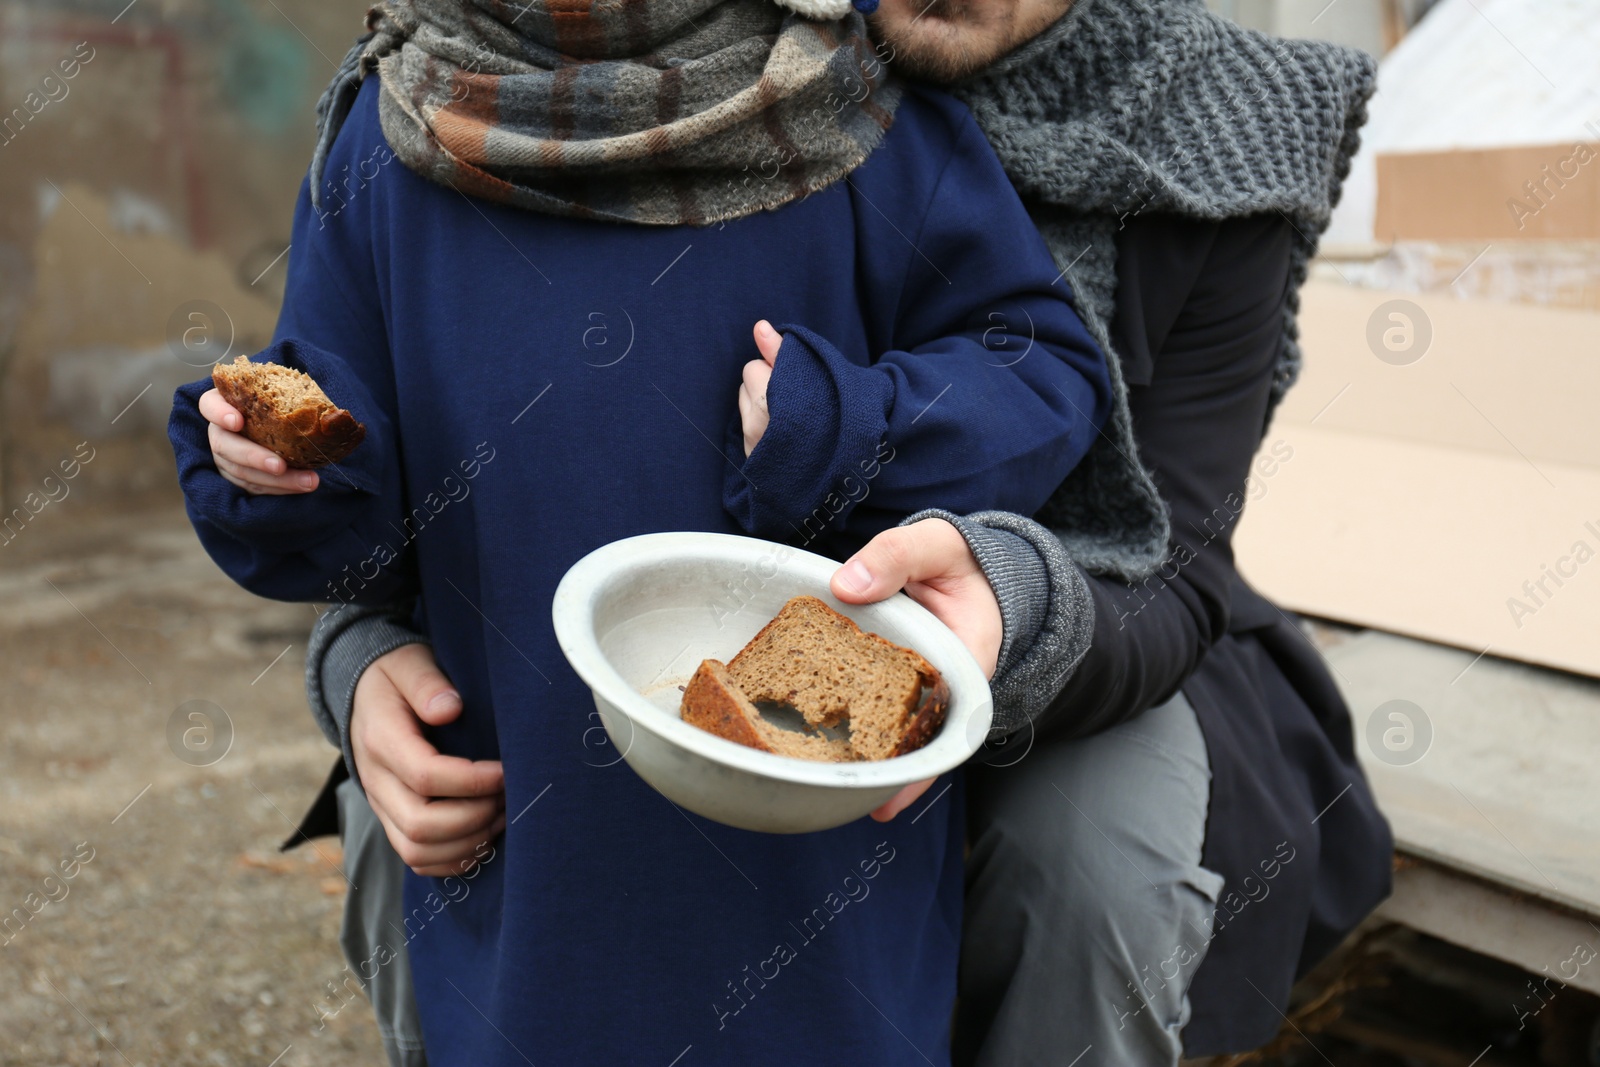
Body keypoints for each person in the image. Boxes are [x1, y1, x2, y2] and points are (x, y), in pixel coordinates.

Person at [307, 0, 1397, 1064]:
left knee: (1100, 868)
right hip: (730, 594)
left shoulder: (1227, 128)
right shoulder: (678, 69)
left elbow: (1173, 563)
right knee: (404, 795)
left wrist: (1012, 610)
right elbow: (492, 430)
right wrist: (355, 645)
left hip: (1091, 627)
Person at [167, 0, 1119, 1063]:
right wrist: (273, 474)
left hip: (813, 874)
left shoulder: (854, 105)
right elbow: (354, 521)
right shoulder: (394, 132)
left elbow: (1039, 367)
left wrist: (854, 425)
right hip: (526, 848)